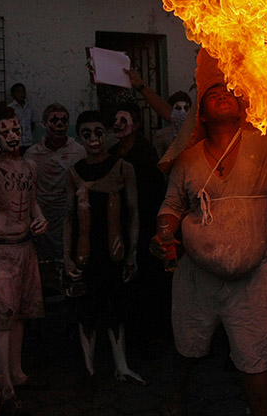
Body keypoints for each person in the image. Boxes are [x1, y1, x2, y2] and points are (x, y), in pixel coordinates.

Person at [151, 49, 267, 416]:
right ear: (202, 115)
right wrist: (165, 230)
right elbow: (172, 207)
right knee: (187, 349)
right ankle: (177, 399)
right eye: (212, 94)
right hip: (196, 280)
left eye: (228, 90)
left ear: (242, 108)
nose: (222, 93)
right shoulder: (188, 161)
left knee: (255, 360)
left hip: (251, 283)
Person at [0, 106, 49, 405]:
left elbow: (33, 202)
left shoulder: (29, 166)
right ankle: (4, 386)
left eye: (15, 129)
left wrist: (40, 219)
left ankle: (17, 373)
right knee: (2, 319)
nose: (11, 136)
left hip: (25, 247)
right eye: (3, 131)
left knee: (19, 314)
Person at [65, 110, 143, 388]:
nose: (94, 139)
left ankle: (121, 366)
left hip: (115, 251)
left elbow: (134, 212)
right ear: (79, 137)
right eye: (87, 134)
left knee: (115, 309)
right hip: (85, 253)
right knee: (85, 311)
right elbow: (68, 218)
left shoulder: (123, 168)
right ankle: (89, 369)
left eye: (99, 132)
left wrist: (133, 253)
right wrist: (67, 258)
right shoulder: (75, 172)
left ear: (107, 134)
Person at [109, 102, 169, 359]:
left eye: (124, 121)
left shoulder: (145, 152)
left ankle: (153, 330)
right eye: (116, 121)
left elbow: (154, 190)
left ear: (135, 125)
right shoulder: (112, 153)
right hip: (119, 224)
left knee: (148, 276)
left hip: (144, 223)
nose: (118, 126)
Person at [25, 104, 86, 265]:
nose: (60, 124)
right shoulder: (32, 154)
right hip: (42, 215)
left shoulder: (78, 152)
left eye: (64, 120)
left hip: (68, 215)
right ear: (44, 123)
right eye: (54, 120)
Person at [7, 82, 36, 154]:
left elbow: (32, 123)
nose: (21, 94)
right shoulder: (10, 108)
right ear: (12, 95)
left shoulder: (30, 107)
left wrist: (28, 134)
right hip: (16, 141)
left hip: (28, 141)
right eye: (18, 91)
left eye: (23, 91)